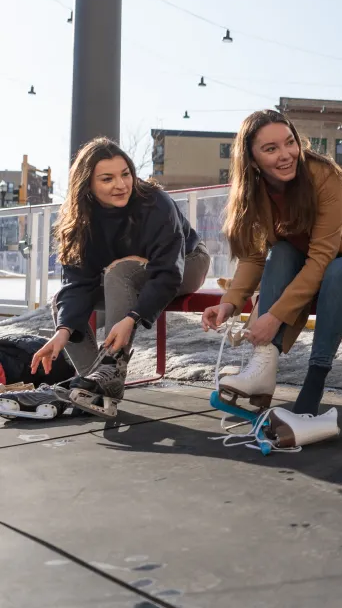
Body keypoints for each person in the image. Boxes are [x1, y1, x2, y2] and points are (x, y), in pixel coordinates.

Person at [200, 109, 342, 419]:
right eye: (271, 149)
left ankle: (314, 385)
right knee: (282, 251)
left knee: (336, 271)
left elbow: (321, 257)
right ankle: (263, 366)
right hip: (318, 264)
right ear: (251, 159)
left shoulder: (322, 175)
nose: (286, 154)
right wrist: (230, 303)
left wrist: (273, 316)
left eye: (290, 143)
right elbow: (254, 256)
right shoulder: (253, 192)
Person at [21, 138, 210, 419]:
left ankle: (110, 369)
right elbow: (78, 285)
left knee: (119, 271)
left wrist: (133, 317)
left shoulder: (155, 203)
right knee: (63, 299)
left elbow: (168, 270)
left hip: (186, 263)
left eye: (125, 174)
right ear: (87, 185)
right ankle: (93, 387)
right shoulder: (77, 222)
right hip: (125, 277)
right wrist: (62, 333)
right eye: (107, 178)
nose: (121, 185)